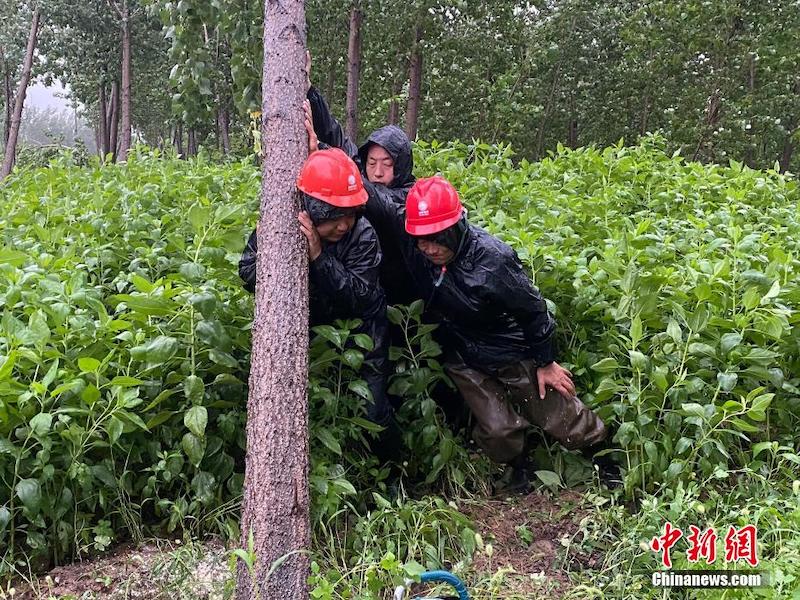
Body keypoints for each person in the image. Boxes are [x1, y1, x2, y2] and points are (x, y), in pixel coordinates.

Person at [362, 174, 617, 492]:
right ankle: (520, 467)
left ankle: (606, 458)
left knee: (558, 413)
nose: (429, 248)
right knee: (498, 430)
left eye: (437, 238)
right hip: (461, 351)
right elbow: (378, 202)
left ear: (457, 226)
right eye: (421, 240)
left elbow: (533, 309)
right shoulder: (417, 245)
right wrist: (328, 154)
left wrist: (545, 361)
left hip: (508, 346)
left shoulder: (493, 260)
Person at [238, 147, 402, 462]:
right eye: (336, 217)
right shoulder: (282, 226)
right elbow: (247, 273)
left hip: (364, 332)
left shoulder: (363, 235)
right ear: (315, 209)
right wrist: (272, 254)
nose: (344, 225)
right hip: (313, 334)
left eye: (350, 214)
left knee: (372, 410)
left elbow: (359, 297)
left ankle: (394, 472)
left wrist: (319, 257)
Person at [305, 85, 419, 306]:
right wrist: (310, 91)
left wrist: (323, 156)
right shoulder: (359, 176)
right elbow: (337, 139)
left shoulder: (410, 197)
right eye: (371, 163)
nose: (378, 172)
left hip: (402, 298)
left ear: (402, 165)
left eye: (387, 164)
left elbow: (379, 200)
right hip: (359, 281)